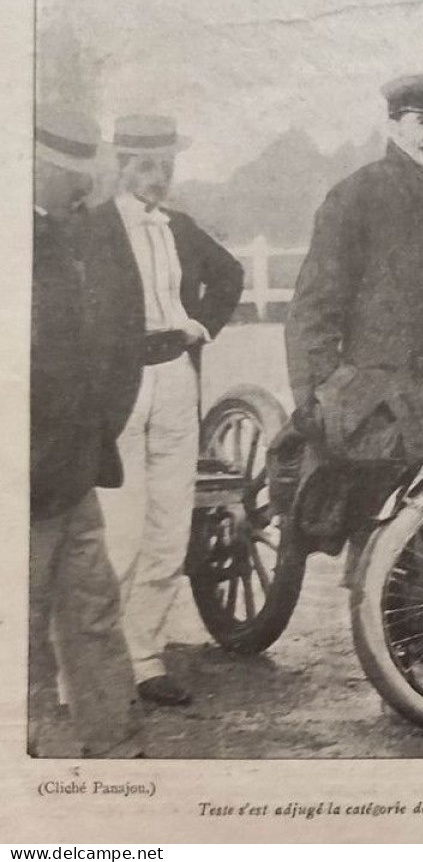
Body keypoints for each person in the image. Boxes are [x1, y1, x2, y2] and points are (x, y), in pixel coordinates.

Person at [88, 114, 243, 708]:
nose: (159, 178)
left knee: (170, 523)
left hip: (176, 376)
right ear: (122, 165)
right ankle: (94, 659)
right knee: (119, 526)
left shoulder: (179, 226)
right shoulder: (94, 229)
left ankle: (146, 656)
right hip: (120, 385)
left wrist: (203, 324)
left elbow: (229, 274)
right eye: (148, 166)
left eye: (167, 166)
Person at [285, 73, 423, 496]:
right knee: (377, 544)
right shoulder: (356, 197)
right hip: (382, 416)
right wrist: (320, 406)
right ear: (394, 125)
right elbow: (314, 311)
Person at [29, 108, 144, 757]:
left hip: (75, 470)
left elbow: (117, 330)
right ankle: (32, 765)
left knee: (95, 613)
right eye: (70, 177)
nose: (83, 191)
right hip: (22, 476)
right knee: (18, 631)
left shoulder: (82, 231)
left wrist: (99, 427)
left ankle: (118, 752)